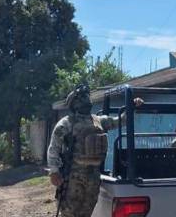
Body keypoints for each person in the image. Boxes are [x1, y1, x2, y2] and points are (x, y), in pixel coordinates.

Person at [47, 84, 143, 217]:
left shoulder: (99, 121)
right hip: (73, 177)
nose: (86, 99)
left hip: (93, 177)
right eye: (82, 97)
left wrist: (132, 107)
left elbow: (121, 121)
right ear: (75, 103)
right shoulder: (66, 123)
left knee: (86, 212)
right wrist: (54, 171)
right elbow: (54, 148)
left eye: (87, 96)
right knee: (69, 213)